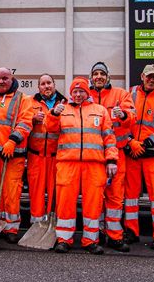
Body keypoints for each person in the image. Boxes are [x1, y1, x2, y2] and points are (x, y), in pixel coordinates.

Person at [48, 78, 118, 255]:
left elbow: (109, 138)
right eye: (75, 92)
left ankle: (91, 240)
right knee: (64, 203)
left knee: (93, 204)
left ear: (88, 93)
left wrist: (111, 160)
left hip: (94, 165)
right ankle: (64, 239)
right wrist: (54, 114)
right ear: (71, 93)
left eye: (82, 91)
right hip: (67, 164)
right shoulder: (62, 109)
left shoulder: (100, 111)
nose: (78, 95)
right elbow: (50, 128)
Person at [124, 64, 154, 250]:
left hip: (153, 154)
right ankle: (131, 232)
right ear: (142, 76)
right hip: (132, 153)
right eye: (149, 76)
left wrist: (144, 144)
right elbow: (122, 122)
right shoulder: (130, 94)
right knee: (130, 197)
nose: (152, 80)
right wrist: (130, 142)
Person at [0, 67, 34, 243]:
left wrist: (13, 141)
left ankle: (12, 227)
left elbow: (26, 123)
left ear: (11, 79)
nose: (1, 82)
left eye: (5, 78)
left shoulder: (23, 99)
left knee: (11, 192)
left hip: (13, 154)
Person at [88, 62, 134, 252]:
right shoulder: (85, 94)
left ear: (108, 77)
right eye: (95, 74)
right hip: (95, 155)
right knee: (95, 197)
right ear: (91, 77)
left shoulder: (121, 94)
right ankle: (97, 234)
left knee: (115, 197)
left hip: (117, 154)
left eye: (102, 74)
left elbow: (132, 116)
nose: (99, 76)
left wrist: (122, 115)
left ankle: (114, 236)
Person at [27, 74, 64, 228]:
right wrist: (33, 119)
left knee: (56, 193)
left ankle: (52, 225)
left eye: (49, 83)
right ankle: (37, 226)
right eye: (43, 83)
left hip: (56, 156)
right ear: (38, 87)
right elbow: (22, 122)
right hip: (36, 156)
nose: (46, 86)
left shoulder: (65, 104)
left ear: (54, 85)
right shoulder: (30, 102)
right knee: (36, 193)